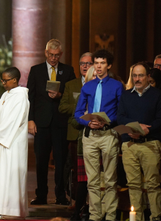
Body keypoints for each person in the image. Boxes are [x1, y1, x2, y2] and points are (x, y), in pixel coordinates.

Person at [74, 49, 123, 221]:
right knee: (92, 180)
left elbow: (121, 112)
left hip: (108, 134)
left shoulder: (117, 86)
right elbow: (78, 112)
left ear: (108, 65)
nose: (98, 66)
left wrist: (108, 121)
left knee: (110, 179)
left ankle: (110, 216)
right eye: (96, 63)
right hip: (90, 136)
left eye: (102, 63)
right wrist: (88, 122)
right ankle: (95, 216)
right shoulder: (87, 86)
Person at [27, 39, 76, 205]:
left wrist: (60, 95)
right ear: (46, 53)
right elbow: (30, 98)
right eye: (51, 55)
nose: (54, 58)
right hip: (41, 122)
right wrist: (30, 120)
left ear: (60, 55)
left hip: (61, 122)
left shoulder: (68, 71)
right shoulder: (36, 71)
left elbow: (74, 95)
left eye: (57, 55)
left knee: (61, 160)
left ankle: (60, 195)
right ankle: (41, 195)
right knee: (41, 160)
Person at [117, 62, 161, 221]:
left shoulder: (157, 95)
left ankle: (156, 217)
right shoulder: (126, 95)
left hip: (150, 144)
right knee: (133, 185)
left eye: (141, 75)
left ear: (148, 77)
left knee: (153, 185)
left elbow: (159, 119)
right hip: (130, 145)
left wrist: (146, 129)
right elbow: (119, 116)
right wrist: (133, 128)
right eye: (134, 75)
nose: (137, 79)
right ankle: (137, 218)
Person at [0, 67, 29, 219]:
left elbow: (14, 120)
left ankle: (14, 210)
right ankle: (2, 208)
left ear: (15, 80)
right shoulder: (5, 95)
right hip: (1, 141)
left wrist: (0, 135)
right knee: (2, 175)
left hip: (13, 142)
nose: (3, 83)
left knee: (12, 175)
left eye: (6, 80)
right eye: (2, 80)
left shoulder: (21, 96)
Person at [58, 52, 93, 219]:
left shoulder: (99, 85)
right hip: (75, 133)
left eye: (88, 63)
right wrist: (79, 109)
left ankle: (91, 205)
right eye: (82, 63)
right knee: (77, 174)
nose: (84, 66)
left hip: (94, 134)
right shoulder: (71, 85)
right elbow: (62, 107)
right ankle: (78, 204)